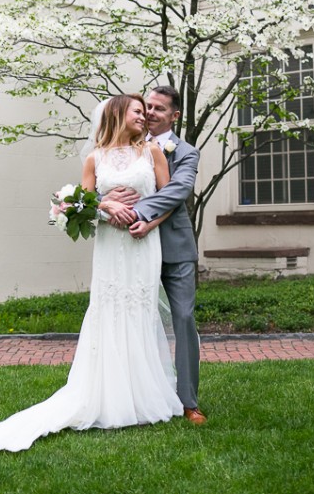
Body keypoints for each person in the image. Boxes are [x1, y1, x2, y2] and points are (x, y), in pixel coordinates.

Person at [0, 94, 184, 452]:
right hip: (110, 248)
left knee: (139, 310)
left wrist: (148, 224)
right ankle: (107, 396)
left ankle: (143, 395)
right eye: (137, 111)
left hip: (142, 244)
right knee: (110, 312)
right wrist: (106, 204)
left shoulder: (153, 153)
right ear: (118, 114)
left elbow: (170, 199)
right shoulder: (94, 158)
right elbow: (82, 206)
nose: (144, 116)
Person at [102, 86, 204, 425]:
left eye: (159, 108)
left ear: (175, 116)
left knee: (184, 319)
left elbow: (178, 190)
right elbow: (94, 190)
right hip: (132, 250)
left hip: (173, 248)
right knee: (133, 318)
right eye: (146, 106)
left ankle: (189, 401)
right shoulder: (117, 151)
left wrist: (138, 211)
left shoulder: (185, 152)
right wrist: (105, 204)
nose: (149, 113)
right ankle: (136, 396)